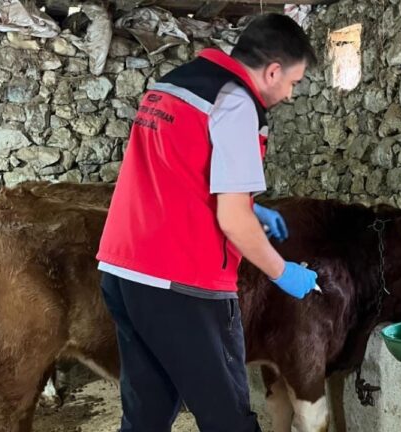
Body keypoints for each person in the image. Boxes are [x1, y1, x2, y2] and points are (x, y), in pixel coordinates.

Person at [96, 14, 318, 432]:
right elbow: (232, 221)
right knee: (227, 418)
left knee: (145, 415)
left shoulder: (173, 85)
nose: (290, 94)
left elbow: (176, 173)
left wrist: (251, 207)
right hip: (184, 283)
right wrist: (282, 271)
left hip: (123, 270)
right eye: (294, 82)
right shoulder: (235, 102)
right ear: (273, 71)